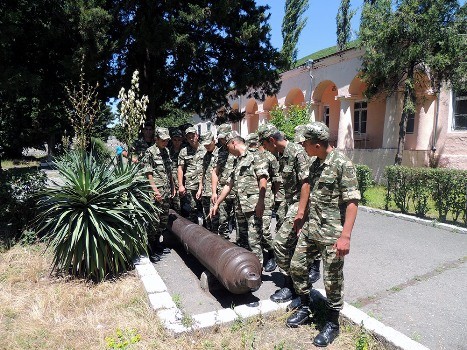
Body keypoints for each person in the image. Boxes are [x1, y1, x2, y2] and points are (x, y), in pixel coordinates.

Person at [287, 122, 360, 347]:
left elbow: (352, 202)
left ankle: (332, 322)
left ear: (316, 144)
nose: (302, 146)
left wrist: (345, 236)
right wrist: (301, 214)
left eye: (304, 143)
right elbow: (309, 189)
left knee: (332, 279)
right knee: (297, 266)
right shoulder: (314, 162)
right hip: (312, 227)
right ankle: (307, 306)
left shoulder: (342, 164)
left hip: (332, 234)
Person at [257, 123, 310, 304]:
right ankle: (295, 285)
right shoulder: (280, 154)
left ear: (271, 140)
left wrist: (301, 212)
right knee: (291, 246)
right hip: (288, 203)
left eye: (265, 145)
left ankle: (291, 286)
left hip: (298, 205)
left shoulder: (296, 152)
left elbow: (306, 183)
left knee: (280, 243)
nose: (265, 149)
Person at [210, 131, 269, 264]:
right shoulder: (237, 161)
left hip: (253, 207)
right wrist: (217, 203)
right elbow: (229, 184)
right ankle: (244, 269)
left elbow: (263, 180)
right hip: (240, 208)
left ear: (234, 143)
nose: (227, 150)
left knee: (254, 241)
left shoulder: (255, 156)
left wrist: (261, 202)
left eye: (227, 147)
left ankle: (256, 272)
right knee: (243, 242)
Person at [142, 127, 174, 263]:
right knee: (154, 221)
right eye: (163, 140)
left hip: (166, 191)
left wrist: (173, 186)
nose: (165, 142)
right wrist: (155, 190)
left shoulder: (166, 151)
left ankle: (157, 244)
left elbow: (169, 170)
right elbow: (148, 173)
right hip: (156, 193)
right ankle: (151, 248)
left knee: (163, 221)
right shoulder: (150, 152)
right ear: (156, 139)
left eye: (167, 140)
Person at [211, 124, 236, 240]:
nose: (222, 140)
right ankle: (224, 244)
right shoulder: (219, 152)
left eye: (224, 138)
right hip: (223, 191)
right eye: (220, 138)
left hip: (238, 191)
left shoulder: (237, 148)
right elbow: (215, 172)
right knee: (222, 220)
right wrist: (214, 192)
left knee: (241, 224)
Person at [178, 126, 206, 223]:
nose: (191, 138)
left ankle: (209, 234)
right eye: (188, 137)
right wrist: (181, 185)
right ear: (186, 138)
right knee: (191, 211)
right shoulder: (184, 151)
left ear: (197, 136)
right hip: (191, 185)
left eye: (193, 136)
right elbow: (180, 168)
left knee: (207, 211)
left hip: (206, 185)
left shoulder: (205, 148)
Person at [196, 131, 219, 232]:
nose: (207, 146)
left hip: (215, 191)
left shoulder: (219, 154)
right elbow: (203, 172)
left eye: (209, 144)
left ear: (214, 141)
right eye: (205, 145)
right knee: (207, 217)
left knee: (214, 217)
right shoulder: (206, 155)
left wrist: (215, 192)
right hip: (206, 191)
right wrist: (200, 188)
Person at [168, 128, 184, 213]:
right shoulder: (168, 151)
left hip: (184, 182)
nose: (177, 142)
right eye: (174, 140)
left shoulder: (185, 150)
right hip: (171, 182)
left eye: (179, 140)